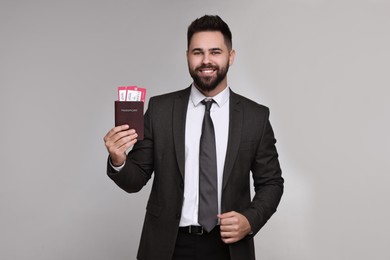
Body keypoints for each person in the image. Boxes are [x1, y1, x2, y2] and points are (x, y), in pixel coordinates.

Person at [103, 15, 284, 260]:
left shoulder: (256, 117)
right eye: (197, 52)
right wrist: (118, 160)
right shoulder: (160, 110)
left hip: (229, 248)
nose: (206, 60)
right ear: (187, 56)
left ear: (230, 57)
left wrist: (250, 220)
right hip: (168, 246)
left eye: (215, 52)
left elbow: (272, 182)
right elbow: (135, 180)